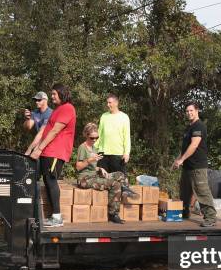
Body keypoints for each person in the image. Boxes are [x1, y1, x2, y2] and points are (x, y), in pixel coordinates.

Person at [25, 84, 76, 227]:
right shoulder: (57, 110)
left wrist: (39, 149)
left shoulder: (67, 108)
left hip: (56, 151)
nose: (52, 96)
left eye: (54, 94)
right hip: (48, 150)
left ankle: (57, 217)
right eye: (52, 94)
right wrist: (31, 149)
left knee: (51, 180)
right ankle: (52, 216)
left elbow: (54, 131)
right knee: (47, 180)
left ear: (62, 93)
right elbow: (44, 131)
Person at [75, 123, 137, 224]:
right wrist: (90, 160)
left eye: (96, 137)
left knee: (120, 174)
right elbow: (78, 167)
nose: (94, 140)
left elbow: (93, 167)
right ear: (86, 135)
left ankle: (125, 191)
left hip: (94, 175)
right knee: (115, 184)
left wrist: (100, 169)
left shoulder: (95, 148)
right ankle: (113, 214)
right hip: (84, 179)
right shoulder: (83, 147)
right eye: (92, 138)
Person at [172, 102, 217, 227]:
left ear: (197, 111)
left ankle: (211, 218)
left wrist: (181, 160)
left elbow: (194, 145)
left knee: (202, 192)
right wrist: (178, 160)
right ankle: (184, 212)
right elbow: (185, 148)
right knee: (184, 192)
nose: (189, 113)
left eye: (191, 110)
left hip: (198, 166)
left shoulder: (199, 126)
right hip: (187, 166)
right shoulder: (189, 127)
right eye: (187, 111)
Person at [94, 93, 131, 174]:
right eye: (107, 103)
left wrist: (126, 153)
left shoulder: (124, 117)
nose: (108, 105)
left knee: (119, 181)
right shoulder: (104, 116)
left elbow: (127, 137)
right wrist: (93, 149)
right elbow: (99, 134)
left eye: (110, 102)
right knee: (102, 181)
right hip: (103, 153)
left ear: (116, 103)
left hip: (118, 154)